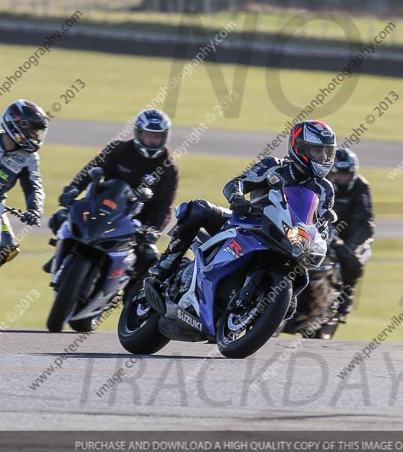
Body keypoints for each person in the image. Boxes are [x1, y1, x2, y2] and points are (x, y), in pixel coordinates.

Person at [145, 119, 337, 316]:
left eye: (327, 151)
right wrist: (237, 199)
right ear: (300, 148)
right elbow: (236, 183)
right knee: (198, 209)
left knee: (292, 300)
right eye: (317, 150)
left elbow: (322, 224)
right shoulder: (273, 166)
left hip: (289, 240)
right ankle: (165, 265)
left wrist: (320, 239)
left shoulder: (325, 189)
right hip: (249, 223)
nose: (323, 157)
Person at [49, 109, 178, 274]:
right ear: (138, 133)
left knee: (148, 258)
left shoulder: (168, 168)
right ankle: (61, 256)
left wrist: (153, 231)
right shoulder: (118, 149)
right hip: (100, 206)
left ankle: (130, 288)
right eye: (148, 135)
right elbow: (90, 169)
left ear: (165, 137)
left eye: (157, 136)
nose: (152, 140)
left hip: (135, 222)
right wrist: (72, 190)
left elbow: (165, 206)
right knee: (60, 218)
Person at [328, 147, 374, 322]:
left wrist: (350, 247)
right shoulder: (324, 183)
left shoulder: (361, 187)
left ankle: (345, 297)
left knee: (353, 261)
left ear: (353, 173)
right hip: (323, 229)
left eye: (346, 174)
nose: (342, 177)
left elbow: (365, 220)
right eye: (339, 173)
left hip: (349, 235)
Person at [0, 100, 48, 266]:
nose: (35, 136)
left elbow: (34, 186)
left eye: (37, 131)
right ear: (17, 126)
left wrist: (34, 209)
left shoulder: (28, 158)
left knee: (7, 248)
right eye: (33, 130)